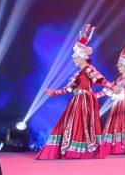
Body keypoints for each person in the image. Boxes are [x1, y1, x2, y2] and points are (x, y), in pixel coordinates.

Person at [37, 24, 109, 160]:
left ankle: (83, 150)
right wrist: (53, 93)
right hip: (77, 100)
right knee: (73, 123)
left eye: (75, 57)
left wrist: (112, 87)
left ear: (82, 57)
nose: (74, 59)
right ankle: (71, 149)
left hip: (86, 100)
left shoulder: (88, 69)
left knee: (84, 123)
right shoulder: (77, 74)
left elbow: (100, 79)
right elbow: (69, 88)